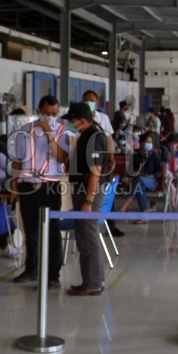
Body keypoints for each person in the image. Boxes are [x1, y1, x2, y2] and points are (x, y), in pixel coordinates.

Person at [9, 95, 73, 289]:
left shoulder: (63, 132)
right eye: (47, 113)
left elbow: (61, 158)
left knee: (52, 232)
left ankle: (53, 275)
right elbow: (18, 159)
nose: (51, 117)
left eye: (55, 114)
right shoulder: (25, 131)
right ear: (38, 111)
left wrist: (49, 135)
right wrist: (13, 185)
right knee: (30, 230)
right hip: (28, 186)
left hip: (50, 187)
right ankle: (32, 269)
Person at [63, 103, 112, 296]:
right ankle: (93, 280)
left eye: (72, 120)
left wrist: (88, 201)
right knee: (85, 236)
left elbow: (95, 172)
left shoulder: (93, 137)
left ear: (81, 120)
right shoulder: (88, 134)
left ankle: (92, 283)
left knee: (88, 235)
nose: (70, 124)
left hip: (89, 191)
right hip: (85, 190)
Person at [82, 89, 124, 238]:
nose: (89, 103)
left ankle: (110, 224)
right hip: (84, 163)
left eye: (92, 100)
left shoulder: (103, 118)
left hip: (102, 161)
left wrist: (112, 157)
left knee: (104, 192)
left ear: (97, 102)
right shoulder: (79, 120)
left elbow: (109, 139)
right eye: (86, 100)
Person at [118, 131, 162, 221]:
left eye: (150, 143)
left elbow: (159, 171)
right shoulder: (136, 156)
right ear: (141, 143)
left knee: (140, 181)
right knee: (140, 187)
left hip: (151, 182)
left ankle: (125, 204)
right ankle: (144, 216)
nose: (149, 145)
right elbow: (129, 172)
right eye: (147, 142)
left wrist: (152, 176)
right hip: (138, 181)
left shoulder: (154, 156)